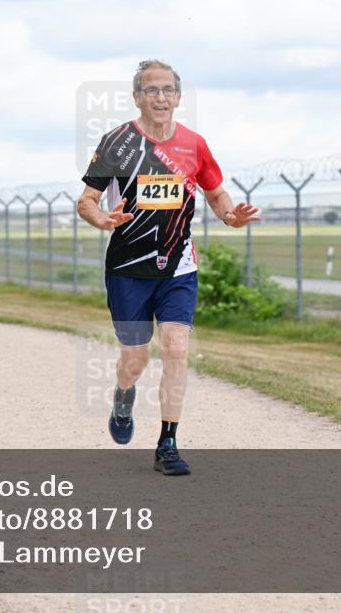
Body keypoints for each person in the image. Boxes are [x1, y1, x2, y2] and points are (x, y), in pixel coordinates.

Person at [77, 59, 259, 476]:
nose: (160, 97)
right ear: (137, 97)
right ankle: (123, 396)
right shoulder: (117, 142)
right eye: (151, 90)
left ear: (178, 98)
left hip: (178, 266)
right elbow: (86, 200)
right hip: (128, 268)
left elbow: (216, 195)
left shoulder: (195, 145)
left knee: (176, 348)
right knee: (135, 360)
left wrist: (230, 216)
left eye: (167, 91)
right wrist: (102, 219)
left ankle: (167, 444)